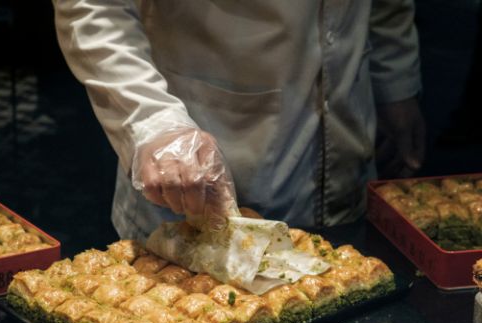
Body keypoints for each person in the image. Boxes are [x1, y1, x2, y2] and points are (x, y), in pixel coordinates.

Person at [53, 1, 425, 240]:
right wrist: (152, 121)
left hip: (351, 150)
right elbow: (94, 7)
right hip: (195, 154)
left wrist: (395, 81)